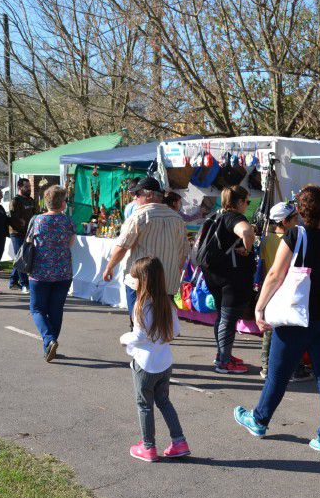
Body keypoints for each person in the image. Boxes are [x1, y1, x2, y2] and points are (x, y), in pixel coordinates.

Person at [234, 185, 320, 457]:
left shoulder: (296, 236)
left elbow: (275, 274)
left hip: (297, 316)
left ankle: (260, 420)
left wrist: (259, 308)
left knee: (278, 374)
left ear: (299, 211)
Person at [119, 257, 190, 462]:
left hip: (144, 364)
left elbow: (139, 337)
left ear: (143, 280)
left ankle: (148, 446)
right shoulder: (167, 303)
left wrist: (123, 339)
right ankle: (179, 441)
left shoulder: (141, 306)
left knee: (144, 405)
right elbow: (176, 331)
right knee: (164, 401)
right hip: (164, 362)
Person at [103, 177, 188, 326]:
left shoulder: (139, 216)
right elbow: (183, 251)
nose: (134, 198)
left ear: (148, 195)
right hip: (167, 281)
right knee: (161, 327)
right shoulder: (177, 218)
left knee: (139, 325)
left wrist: (109, 267)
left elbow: (122, 246)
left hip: (141, 280)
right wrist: (176, 270)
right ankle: (159, 348)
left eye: (137, 194)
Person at [198, 186, 258, 374]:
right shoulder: (234, 217)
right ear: (239, 202)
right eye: (247, 201)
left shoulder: (217, 215)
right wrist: (247, 250)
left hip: (213, 273)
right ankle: (223, 362)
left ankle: (223, 355)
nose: (247, 205)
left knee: (222, 318)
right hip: (230, 277)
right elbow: (247, 232)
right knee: (228, 320)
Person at [259, 202, 312, 381]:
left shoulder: (267, 240)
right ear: (285, 221)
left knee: (268, 330)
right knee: (289, 330)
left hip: (270, 287)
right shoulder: (290, 240)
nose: (298, 221)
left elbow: (267, 266)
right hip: (285, 288)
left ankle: (266, 366)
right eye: (294, 218)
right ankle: (293, 368)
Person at [28, 185, 76, 361]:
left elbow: (29, 241)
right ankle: (50, 344)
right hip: (63, 271)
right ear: (62, 203)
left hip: (40, 272)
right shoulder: (68, 221)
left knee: (37, 309)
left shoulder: (37, 220)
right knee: (56, 309)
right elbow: (71, 243)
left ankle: (49, 340)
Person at [8, 178, 36, 293]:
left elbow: (35, 215)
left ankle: (13, 281)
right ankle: (24, 284)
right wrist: (20, 223)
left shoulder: (31, 200)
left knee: (21, 257)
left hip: (28, 233)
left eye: (29, 186)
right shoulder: (15, 201)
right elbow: (13, 217)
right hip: (17, 233)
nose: (29, 189)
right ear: (20, 187)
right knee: (21, 258)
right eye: (26, 187)